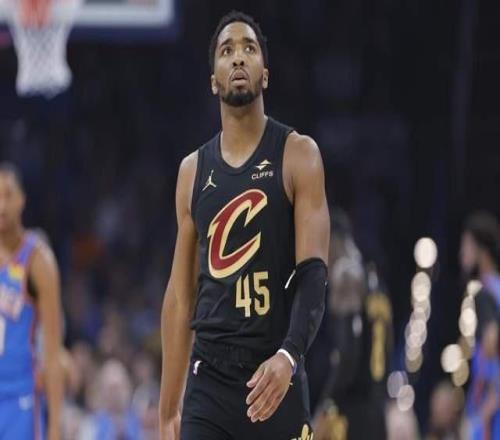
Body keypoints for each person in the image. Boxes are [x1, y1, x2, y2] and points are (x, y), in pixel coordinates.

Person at [158, 10, 330, 440]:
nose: (238, 57)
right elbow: (180, 297)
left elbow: (314, 277)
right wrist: (167, 407)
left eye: (249, 48)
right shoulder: (191, 171)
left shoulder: (298, 154)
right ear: (214, 81)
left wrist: (289, 356)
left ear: (265, 75)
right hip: (209, 382)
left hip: (274, 371)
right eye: (227, 50)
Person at [313, 209, 391, 440]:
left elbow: (347, 353)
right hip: (377, 411)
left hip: (351, 416)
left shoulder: (346, 275)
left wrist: (327, 403)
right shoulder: (375, 280)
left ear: (331, 240)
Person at [0, 163, 64, 440]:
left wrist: (55, 429)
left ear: (22, 200)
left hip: (20, 398)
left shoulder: (38, 260)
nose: (2, 205)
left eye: (8, 195)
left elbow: (53, 354)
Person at [459, 211, 500, 439]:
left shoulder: (485, 294)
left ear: (481, 252)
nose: (462, 254)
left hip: (490, 419)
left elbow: (491, 344)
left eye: (466, 247)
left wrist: (481, 414)